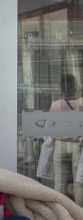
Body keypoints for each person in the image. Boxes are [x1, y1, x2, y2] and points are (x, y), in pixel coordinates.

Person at [48, 73, 83, 205]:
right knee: (79, 183)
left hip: (60, 145)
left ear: (61, 88)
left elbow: (48, 127)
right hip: (77, 145)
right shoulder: (81, 103)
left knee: (59, 183)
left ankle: (60, 213)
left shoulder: (56, 105)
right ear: (75, 87)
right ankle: (80, 215)